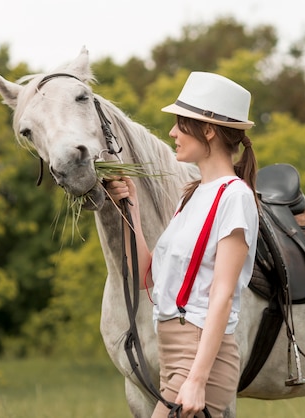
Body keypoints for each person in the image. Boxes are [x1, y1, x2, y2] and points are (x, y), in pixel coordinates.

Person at [106, 72, 259, 418]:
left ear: (208, 130)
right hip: (173, 352)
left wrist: (197, 379)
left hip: (201, 356)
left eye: (180, 123)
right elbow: (149, 275)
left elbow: (221, 297)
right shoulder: (190, 197)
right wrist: (130, 209)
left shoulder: (234, 197)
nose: (172, 133)